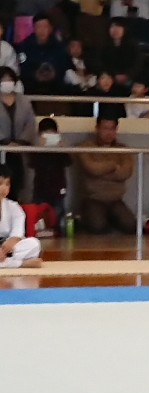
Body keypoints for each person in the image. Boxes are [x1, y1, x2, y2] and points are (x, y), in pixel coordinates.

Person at [74, 116, 137, 234]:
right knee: (97, 227)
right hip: (93, 199)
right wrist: (113, 166)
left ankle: (110, 221)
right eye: (105, 128)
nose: (109, 133)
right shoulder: (86, 147)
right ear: (97, 128)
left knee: (131, 225)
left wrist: (101, 171)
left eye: (112, 129)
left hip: (116, 200)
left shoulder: (123, 149)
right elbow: (92, 169)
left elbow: (125, 172)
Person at [0, 66, 37, 202]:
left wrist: (20, 142)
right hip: (1, 149)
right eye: (3, 80)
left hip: (20, 151)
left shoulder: (24, 101)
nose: (7, 82)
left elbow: (30, 123)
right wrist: (5, 142)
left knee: (19, 186)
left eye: (10, 79)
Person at [0, 164, 43, 269]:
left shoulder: (13, 207)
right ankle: (20, 264)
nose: (4, 188)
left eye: (7, 184)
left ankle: (5, 263)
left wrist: (7, 245)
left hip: (7, 248)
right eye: (0, 183)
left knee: (34, 244)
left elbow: (17, 234)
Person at [16, 13, 71, 95]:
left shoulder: (59, 47)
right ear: (34, 28)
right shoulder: (24, 47)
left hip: (55, 88)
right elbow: (22, 68)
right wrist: (35, 75)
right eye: (38, 27)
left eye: (45, 27)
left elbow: (64, 66)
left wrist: (54, 74)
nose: (42, 30)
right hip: (31, 88)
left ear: (50, 28)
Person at [28, 117, 70, 217]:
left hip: (58, 189)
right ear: (39, 135)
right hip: (40, 189)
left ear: (57, 134)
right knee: (39, 216)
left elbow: (68, 162)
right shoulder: (36, 149)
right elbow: (31, 164)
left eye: (52, 135)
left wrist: (62, 149)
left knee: (58, 214)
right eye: (46, 135)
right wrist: (39, 148)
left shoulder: (60, 150)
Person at [100, 17, 142, 88]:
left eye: (119, 26)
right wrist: (113, 75)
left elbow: (137, 64)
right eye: (112, 27)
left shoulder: (133, 46)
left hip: (130, 79)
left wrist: (127, 75)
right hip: (110, 79)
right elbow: (102, 64)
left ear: (124, 29)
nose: (115, 30)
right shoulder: (103, 45)